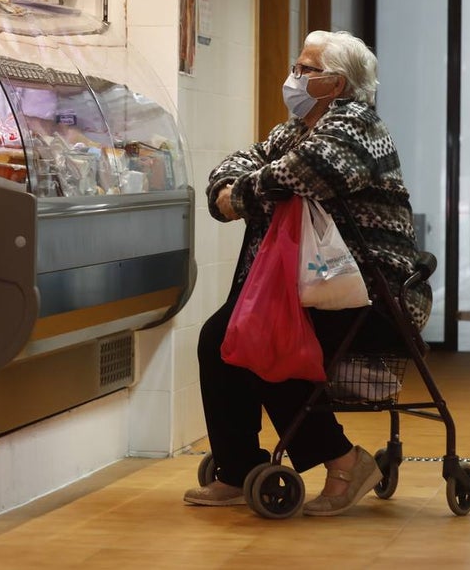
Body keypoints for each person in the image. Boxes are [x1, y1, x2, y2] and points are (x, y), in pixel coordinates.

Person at [183, 30, 432, 516]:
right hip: (311, 290)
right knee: (218, 339)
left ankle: (345, 461)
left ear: (335, 84)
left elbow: (304, 173)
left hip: (370, 293)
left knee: (265, 341)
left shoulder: (357, 126)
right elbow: (236, 165)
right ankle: (238, 469)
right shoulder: (293, 129)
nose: (293, 77)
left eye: (306, 69)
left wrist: (239, 195)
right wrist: (231, 187)